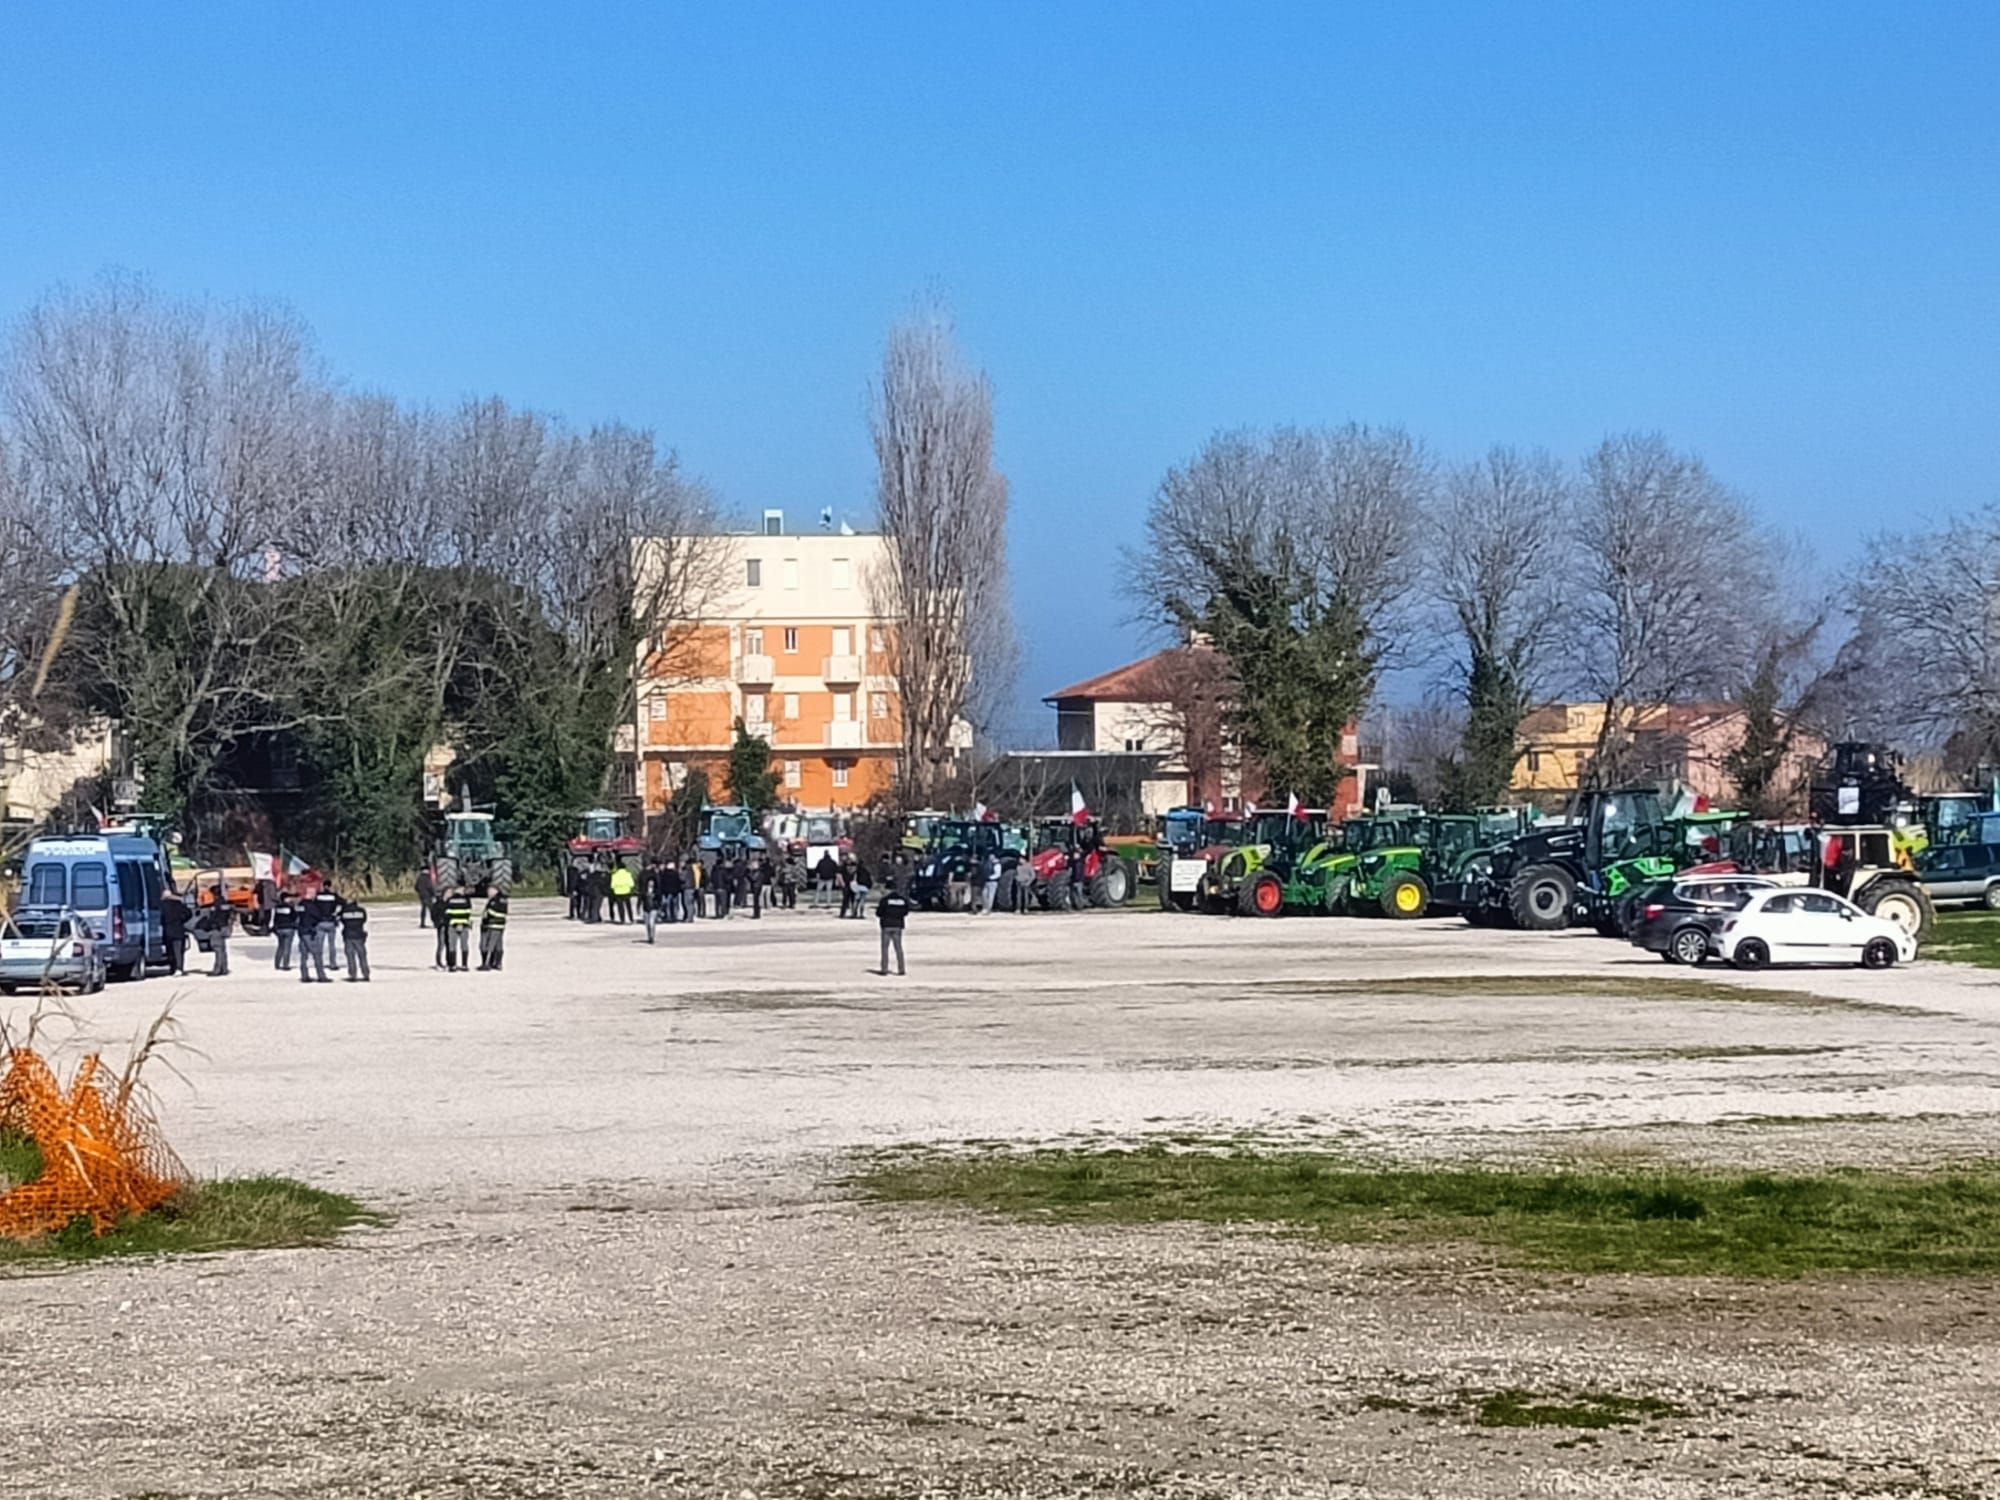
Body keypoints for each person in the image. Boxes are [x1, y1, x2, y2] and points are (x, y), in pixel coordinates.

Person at [876, 884, 911, 975]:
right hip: (898, 926)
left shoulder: (885, 900)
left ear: (888, 890)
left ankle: (884, 969)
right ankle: (901, 969)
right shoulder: (902, 900)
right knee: (898, 948)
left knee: (885, 949)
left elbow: (879, 913)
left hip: (886, 925)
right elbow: (906, 912)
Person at [296, 889, 328, 983]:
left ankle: (304, 976)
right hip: (310, 932)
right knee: (317, 954)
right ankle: (321, 976)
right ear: (310, 894)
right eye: (314, 893)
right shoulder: (311, 906)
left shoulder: (300, 905)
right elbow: (318, 916)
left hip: (301, 932)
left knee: (303, 956)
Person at [200, 892, 233, 977]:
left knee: (217, 949)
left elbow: (213, 918)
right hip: (224, 927)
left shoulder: (215, 906)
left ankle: (217, 969)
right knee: (223, 949)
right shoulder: (227, 905)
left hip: (216, 929)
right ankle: (224, 968)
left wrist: (207, 925)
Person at [339, 898, 371, 982]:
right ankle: (366, 974)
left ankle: (353, 975)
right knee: (362, 956)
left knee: (350, 956)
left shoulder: (344, 912)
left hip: (348, 935)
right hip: (359, 935)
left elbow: (342, 920)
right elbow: (364, 920)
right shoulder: (361, 911)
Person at [160, 888, 190, 975]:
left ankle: (172, 968)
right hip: (179, 929)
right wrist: (182, 919)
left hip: (168, 930)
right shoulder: (178, 904)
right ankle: (179, 968)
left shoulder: (162, 906)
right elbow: (189, 913)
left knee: (170, 951)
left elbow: (161, 917)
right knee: (179, 951)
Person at [443, 885, 473, 972]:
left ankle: (453, 965)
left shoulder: (450, 899)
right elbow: (468, 913)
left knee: (452, 945)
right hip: (464, 925)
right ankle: (464, 964)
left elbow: (447, 913)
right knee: (464, 945)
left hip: (452, 925)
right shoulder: (467, 899)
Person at [478, 891, 508, 970]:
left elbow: (492, 913)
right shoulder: (495, 900)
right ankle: (496, 963)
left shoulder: (497, 900)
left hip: (494, 925)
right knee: (498, 945)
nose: (488, 892)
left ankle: (488, 963)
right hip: (495, 925)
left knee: (491, 945)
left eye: (489, 890)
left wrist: (487, 914)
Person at [272, 894, 299, 970]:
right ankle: (285, 965)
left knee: (280, 946)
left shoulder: (278, 908)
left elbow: (275, 918)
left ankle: (277, 964)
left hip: (280, 929)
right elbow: (295, 917)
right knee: (287, 947)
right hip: (289, 928)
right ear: (285, 899)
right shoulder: (290, 907)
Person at [430, 885, 451, 969]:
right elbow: (433, 914)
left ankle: (449, 962)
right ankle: (439, 962)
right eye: (449, 892)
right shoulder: (438, 903)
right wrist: (437, 922)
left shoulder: (451, 902)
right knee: (441, 944)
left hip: (449, 925)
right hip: (441, 925)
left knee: (449, 944)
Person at [977, 849, 1001, 915]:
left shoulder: (997, 864)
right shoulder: (987, 863)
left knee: (990, 896)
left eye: (992, 856)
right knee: (984, 894)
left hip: (993, 882)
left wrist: (990, 877)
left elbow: (998, 874)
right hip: (986, 881)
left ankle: (988, 909)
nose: (990, 857)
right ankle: (985, 907)